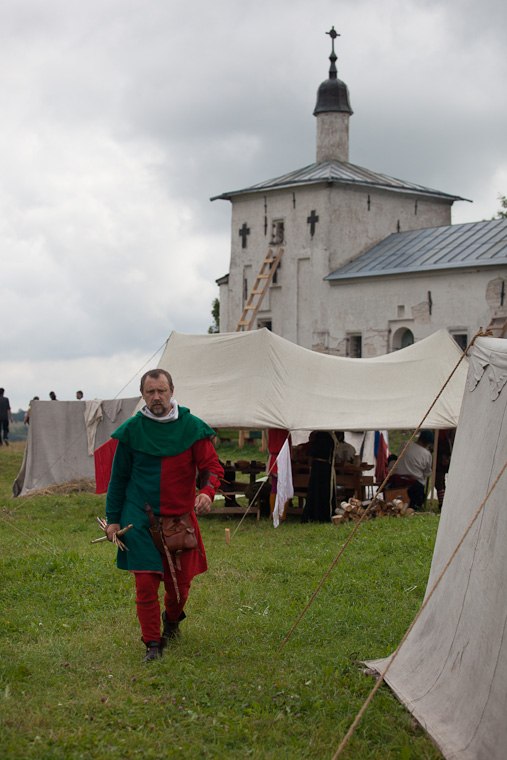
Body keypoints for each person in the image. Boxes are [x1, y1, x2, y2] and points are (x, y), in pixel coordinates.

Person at [105, 368, 224, 662]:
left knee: (179, 587)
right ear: (143, 395)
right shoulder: (133, 430)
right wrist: (113, 519)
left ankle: (172, 620)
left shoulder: (192, 427)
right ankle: (152, 644)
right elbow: (118, 478)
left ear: (172, 391)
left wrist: (207, 492)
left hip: (179, 518)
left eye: (161, 391)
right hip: (139, 517)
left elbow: (211, 467)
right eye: (150, 392)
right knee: (145, 583)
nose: (156, 397)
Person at [389, 430, 434, 510]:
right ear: (428, 443)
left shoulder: (405, 444)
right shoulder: (427, 454)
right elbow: (427, 473)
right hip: (414, 486)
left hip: (398, 480)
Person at [302, 430, 337, 523]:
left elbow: (312, 451)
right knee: (318, 491)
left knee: (319, 491)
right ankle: (316, 514)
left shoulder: (323, 436)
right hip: (321, 467)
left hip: (321, 467)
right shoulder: (329, 437)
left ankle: (318, 514)